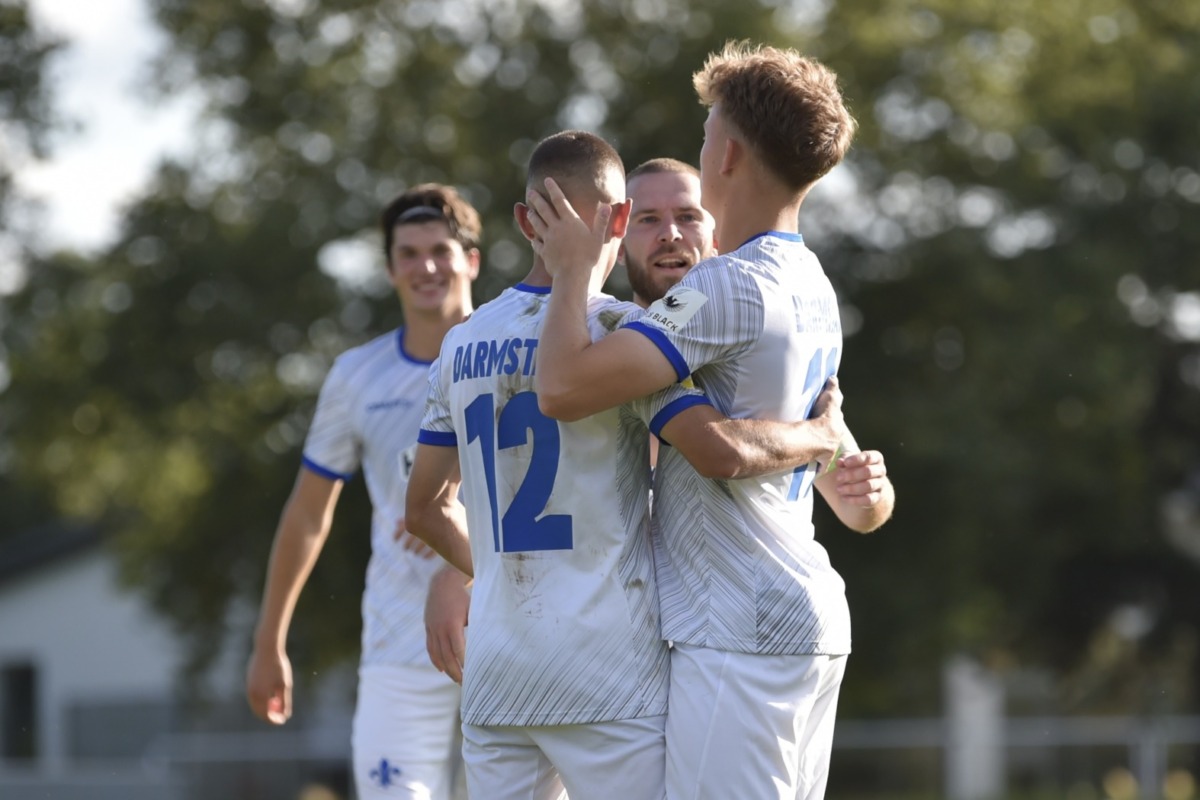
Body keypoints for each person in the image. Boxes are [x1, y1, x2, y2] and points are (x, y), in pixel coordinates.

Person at [405, 130, 852, 800]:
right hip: (609, 670)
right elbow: (718, 447)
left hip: (499, 672)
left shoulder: (461, 343)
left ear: (527, 222)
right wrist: (819, 436)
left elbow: (425, 507)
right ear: (618, 221)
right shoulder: (620, 336)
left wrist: (495, 572)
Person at [526, 43, 896, 799]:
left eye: (704, 135)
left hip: (740, 628)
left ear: (725, 154)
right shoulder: (814, 282)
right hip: (802, 617)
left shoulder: (726, 287)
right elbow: (858, 503)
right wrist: (834, 454)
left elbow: (561, 387)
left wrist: (571, 273)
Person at [245, 184, 482, 800]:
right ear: (389, 268)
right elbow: (307, 516)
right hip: (398, 640)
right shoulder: (356, 375)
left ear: (472, 260)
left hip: (514, 631)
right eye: (408, 253)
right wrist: (270, 640)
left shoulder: (517, 352)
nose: (426, 267)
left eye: (440, 250)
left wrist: (457, 536)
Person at [619, 158, 716, 309]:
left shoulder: (757, 326)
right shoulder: (590, 330)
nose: (670, 234)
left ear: (716, 240)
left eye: (688, 217)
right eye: (649, 219)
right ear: (619, 248)